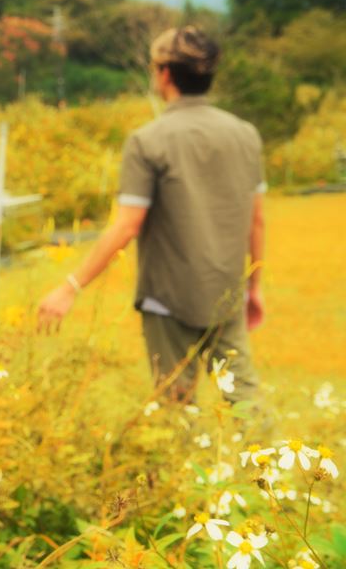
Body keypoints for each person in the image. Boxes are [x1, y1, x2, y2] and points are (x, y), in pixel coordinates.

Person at [37, 26, 267, 403]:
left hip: (167, 298)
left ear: (164, 74)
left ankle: (185, 461)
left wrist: (70, 287)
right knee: (244, 399)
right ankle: (267, 462)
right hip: (227, 291)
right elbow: (256, 220)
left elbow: (127, 224)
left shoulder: (148, 140)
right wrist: (254, 288)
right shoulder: (245, 134)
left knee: (176, 404)